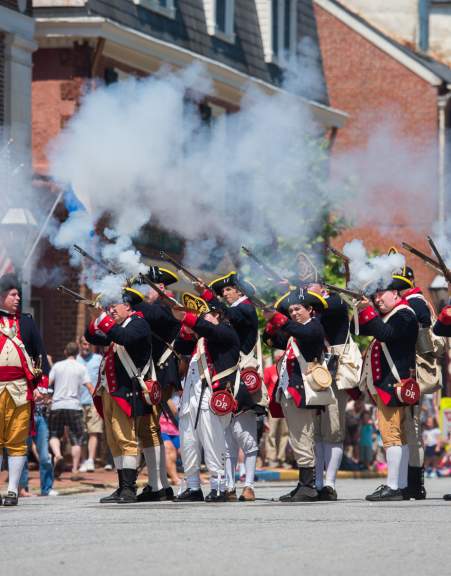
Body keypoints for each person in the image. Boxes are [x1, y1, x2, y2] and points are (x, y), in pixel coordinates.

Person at [196, 272, 266, 502]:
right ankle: (229, 486)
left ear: (240, 291)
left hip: (243, 375)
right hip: (228, 376)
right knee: (226, 436)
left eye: (228, 289)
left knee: (244, 434)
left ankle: (249, 485)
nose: (224, 294)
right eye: (222, 291)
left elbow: (229, 314)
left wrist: (207, 294)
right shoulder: (233, 311)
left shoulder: (245, 307)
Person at [85, 287, 153, 504]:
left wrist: (102, 318)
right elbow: (92, 337)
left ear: (128, 305)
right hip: (110, 389)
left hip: (126, 390)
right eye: (109, 306)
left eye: (115, 305)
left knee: (126, 438)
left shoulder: (138, 323)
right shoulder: (117, 325)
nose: (111, 309)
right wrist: (94, 317)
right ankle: (121, 485)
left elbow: (123, 338)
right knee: (114, 440)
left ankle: (129, 488)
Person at [172, 292, 240, 502]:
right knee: (188, 443)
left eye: (205, 314)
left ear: (218, 314)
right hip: (190, 398)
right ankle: (193, 487)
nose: (201, 318)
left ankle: (219, 486)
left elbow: (210, 330)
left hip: (211, 396)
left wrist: (188, 318)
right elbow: (180, 349)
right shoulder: (199, 339)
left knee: (213, 443)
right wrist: (185, 330)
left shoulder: (226, 332)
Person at [263, 288, 328, 502]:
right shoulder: (295, 331)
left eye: (298, 308)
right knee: (297, 438)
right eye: (290, 310)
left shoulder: (314, 327)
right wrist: (271, 323)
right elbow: (271, 340)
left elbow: (305, 334)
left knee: (302, 438)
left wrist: (279, 319)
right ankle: (304, 484)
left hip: (302, 391)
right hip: (290, 391)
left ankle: (308, 486)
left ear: (310, 309)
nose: (294, 313)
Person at [356, 280, 418, 502]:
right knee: (397, 436)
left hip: (394, 382)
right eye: (375, 296)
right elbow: (362, 328)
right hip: (392, 382)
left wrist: (369, 311)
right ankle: (399, 485)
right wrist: (361, 308)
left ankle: (394, 486)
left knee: (391, 434)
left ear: (394, 293)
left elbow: (386, 334)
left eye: (381, 294)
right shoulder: (392, 314)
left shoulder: (404, 314)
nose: (377, 299)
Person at [305, 279, 362, 501]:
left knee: (333, 429)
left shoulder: (335, 302)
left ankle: (329, 483)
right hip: (315, 370)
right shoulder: (309, 309)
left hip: (335, 371)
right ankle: (317, 482)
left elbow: (332, 309)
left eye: (311, 289)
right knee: (316, 431)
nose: (307, 293)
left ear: (324, 290)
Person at [0, 273, 50, 506]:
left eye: (18, 294)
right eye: (13, 294)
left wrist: (41, 387)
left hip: (20, 389)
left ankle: (12, 490)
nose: (18, 298)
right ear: (1, 297)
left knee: (18, 440)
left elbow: (40, 355)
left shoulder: (27, 322)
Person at [133, 266, 181, 502]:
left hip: (160, 375)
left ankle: (159, 484)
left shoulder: (165, 307)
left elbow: (150, 315)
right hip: (150, 375)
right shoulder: (151, 307)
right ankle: (158, 482)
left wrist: (131, 298)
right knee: (149, 431)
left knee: (150, 431)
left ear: (161, 288)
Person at [48, 342, 91, 478]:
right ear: (77, 353)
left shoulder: (57, 366)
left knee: (54, 434)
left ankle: (58, 455)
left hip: (57, 405)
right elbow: (89, 387)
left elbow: (47, 383)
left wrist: (47, 397)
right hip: (74, 405)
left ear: (66, 352)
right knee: (76, 438)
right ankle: (74, 469)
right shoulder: (81, 367)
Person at [77, 336, 103, 473]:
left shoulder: (98, 359)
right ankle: (82, 460)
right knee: (80, 433)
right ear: (79, 344)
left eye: (88, 344)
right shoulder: (75, 361)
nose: (86, 347)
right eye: (84, 344)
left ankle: (91, 460)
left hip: (94, 401)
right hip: (77, 402)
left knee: (93, 431)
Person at [263, 352, 289, 468]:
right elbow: (265, 385)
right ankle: (271, 457)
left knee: (285, 433)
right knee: (272, 432)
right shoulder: (269, 370)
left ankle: (281, 458)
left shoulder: (288, 370)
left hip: (285, 405)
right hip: (273, 405)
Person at [159, 392, 181, 487]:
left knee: (186, 451)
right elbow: (174, 410)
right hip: (162, 427)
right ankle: (175, 478)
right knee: (169, 450)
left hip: (176, 427)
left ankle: (194, 478)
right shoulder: (164, 390)